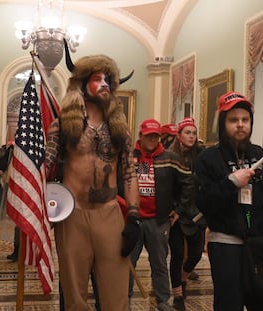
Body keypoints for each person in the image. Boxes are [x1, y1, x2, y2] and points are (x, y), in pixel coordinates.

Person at [45, 54, 140, 311]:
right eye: (97, 78)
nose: (104, 83)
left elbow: (130, 172)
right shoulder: (63, 126)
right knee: (74, 298)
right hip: (72, 215)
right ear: (83, 84)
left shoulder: (121, 130)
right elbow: (43, 167)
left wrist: (133, 216)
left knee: (116, 297)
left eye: (108, 79)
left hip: (109, 214)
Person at [195, 91, 263, 311]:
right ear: (223, 123)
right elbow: (204, 202)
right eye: (233, 120)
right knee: (228, 304)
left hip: (259, 243)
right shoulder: (207, 159)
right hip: (225, 244)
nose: (240, 125)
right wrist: (231, 183)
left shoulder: (259, 155)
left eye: (245, 120)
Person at [128, 118, 195, 311]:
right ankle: (125, 300)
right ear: (140, 136)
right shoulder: (130, 157)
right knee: (127, 264)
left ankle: (163, 302)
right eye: (149, 135)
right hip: (133, 221)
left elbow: (188, 184)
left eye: (156, 136)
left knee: (159, 263)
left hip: (159, 221)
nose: (152, 139)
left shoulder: (171, 158)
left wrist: (179, 210)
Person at [168, 117, 207, 310]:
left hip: (197, 213)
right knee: (175, 255)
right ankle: (177, 294)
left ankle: (184, 277)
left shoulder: (201, 154)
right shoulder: (169, 154)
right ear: (179, 135)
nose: (191, 136)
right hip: (175, 213)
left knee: (196, 254)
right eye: (187, 133)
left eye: (194, 133)